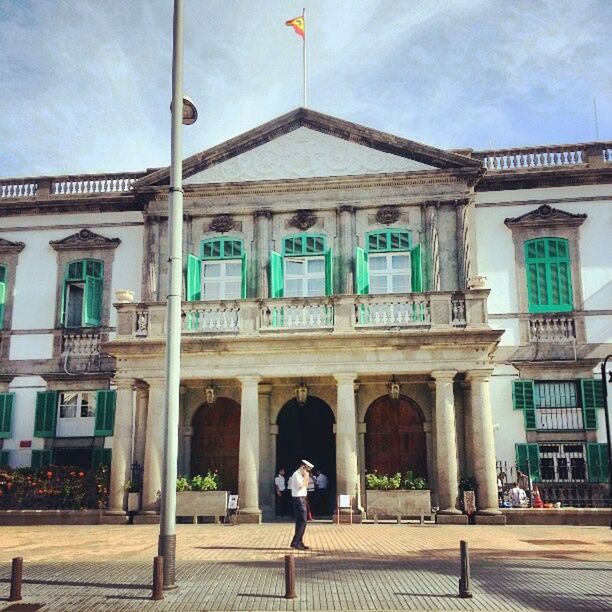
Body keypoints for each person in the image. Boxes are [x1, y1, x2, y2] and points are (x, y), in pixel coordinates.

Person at [289, 459, 314, 550]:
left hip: (303, 498)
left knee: (301, 521)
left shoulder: (301, 475)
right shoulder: (296, 474)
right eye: (307, 470)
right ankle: (295, 542)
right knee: (302, 520)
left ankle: (299, 541)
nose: (307, 472)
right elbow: (299, 486)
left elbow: (305, 487)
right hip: (298, 499)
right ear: (303, 467)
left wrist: (305, 478)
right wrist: (306, 477)